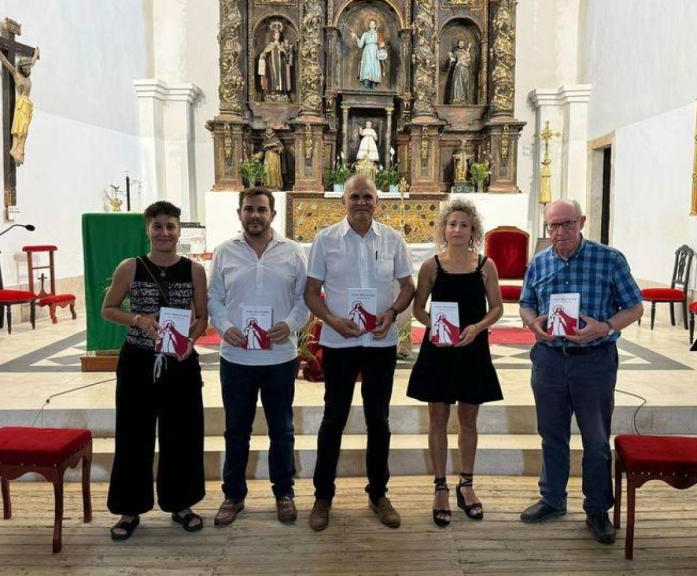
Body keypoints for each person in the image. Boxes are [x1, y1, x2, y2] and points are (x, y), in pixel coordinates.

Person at [517, 199, 643, 544]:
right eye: (553, 226)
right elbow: (526, 303)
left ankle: (597, 509)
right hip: (550, 360)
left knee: (596, 439)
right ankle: (552, 499)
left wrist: (604, 326)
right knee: (552, 433)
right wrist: (533, 323)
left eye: (567, 224)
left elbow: (634, 307)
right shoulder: (539, 262)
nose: (559, 232)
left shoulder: (610, 259)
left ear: (582, 222)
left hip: (594, 360)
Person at [305, 175, 415, 531]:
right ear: (344, 201)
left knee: (378, 420)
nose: (361, 202)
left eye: (368, 196)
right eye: (355, 196)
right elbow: (311, 292)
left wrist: (392, 313)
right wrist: (332, 321)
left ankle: (378, 494)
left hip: (380, 344)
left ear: (377, 201)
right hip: (340, 343)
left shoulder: (393, 239)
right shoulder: (325, 240)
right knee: (333, 419)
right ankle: (323, 496)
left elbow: (407, 287)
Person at [101, 201, 209, 541]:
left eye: (170, 226)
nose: (164, 232)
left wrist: (190, 340)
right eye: (158, 226)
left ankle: (181, 504)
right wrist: (137, 319)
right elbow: (108, 309)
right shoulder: (130, 267)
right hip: (138, 361)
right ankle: (129, 509)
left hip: (179, 362)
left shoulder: (194, 270)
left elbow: (202, 317)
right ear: (147, 229)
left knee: (182, 435)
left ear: (179, 230)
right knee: (133, 435)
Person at [207, 187, 309, 526]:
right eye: (249, 209)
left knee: (282, 429)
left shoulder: (293, 251)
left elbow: (305, 298)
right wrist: (225, 328)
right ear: (239, 213)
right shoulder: (224, 251)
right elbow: (214, 298)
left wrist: (290, 324)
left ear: (273, 215)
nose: (255, 215)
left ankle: (284, 493)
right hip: (236, 357)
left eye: (261, 209)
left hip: (280, 357)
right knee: (236, 430)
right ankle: (233, 495)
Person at [406, 199, 503, 527]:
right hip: (440, 349)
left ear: (473, 230)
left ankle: (467, 484)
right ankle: (440, 487)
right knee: (437, 418)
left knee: (468, 419)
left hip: (473, 349)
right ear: (443, 229)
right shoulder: (431, 266)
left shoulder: (485, 265)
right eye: (452, 224)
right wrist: (435, 325)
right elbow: (418, 308)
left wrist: (477, 327)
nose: (458, 229)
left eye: (464, 224)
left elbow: (497, 308)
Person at [0, 34, 39, 165]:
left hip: (28, 105)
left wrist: (36, 54)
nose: (29, 68)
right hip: (21, 104)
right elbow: (5, 61)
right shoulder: (17, 74)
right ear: (22, 67)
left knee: (25, 131)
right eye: (27, 66)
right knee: (20, 128)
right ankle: (15, 148)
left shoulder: (27, 76)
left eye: (29, 66)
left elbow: (32, 62)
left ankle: (20, 150)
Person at [258, 23, 293, 100]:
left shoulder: (282, 45)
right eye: (276, 34)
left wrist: (286, 50)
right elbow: (264, 52)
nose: (277, 36)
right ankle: (272, 90)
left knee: (281, 76)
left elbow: (286, 55)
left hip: (280, 64)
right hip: (271, 63)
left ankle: (281, 91)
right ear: (273, 36)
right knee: (272, 75)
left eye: (278, 35)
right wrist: (262, 56)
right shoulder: (271, 44)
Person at [351, 19, 384, 89]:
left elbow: (381, 46)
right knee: (367, 66)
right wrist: (356, 37)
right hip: (367, 52)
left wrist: (381, 52)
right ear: (369, 25)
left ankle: (374, 83)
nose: (372, 25)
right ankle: (366, 83)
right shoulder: (365, 34)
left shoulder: (378, 34)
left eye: (373, 24)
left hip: (375, 51)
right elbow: (360, 45)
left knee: (375, 65)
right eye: (371, 24)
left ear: (375, 25)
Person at [447, 39, 472, 104]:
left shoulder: (466, 52)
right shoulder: (456, 52)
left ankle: (464, 99)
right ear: (458, 44)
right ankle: (457, 99)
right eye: (460, 43)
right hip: (458, 69)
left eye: (462, 43)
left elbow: (469, 61)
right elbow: (453, 61)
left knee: (464, 84)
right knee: (458, 84)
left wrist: (467, 56)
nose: (461, 44)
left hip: (465, 69)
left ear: (464, 44)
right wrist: (451, 59)